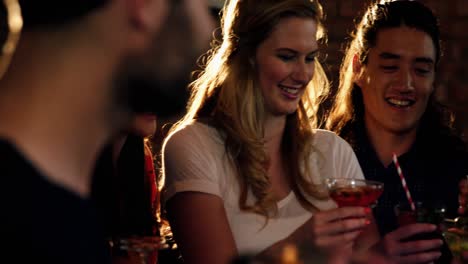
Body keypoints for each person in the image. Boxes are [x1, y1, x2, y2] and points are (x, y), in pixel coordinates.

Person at [162, 0, 380, 263]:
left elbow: (367, 256)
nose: (302, 74)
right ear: (248, 56)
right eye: (287, 56)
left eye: (309, 58)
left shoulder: (333, 151)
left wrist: (391, 255)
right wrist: (299, 246)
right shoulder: (193, 146)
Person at [0, 0, 213, 263]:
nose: (207, 29)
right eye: (200, 4)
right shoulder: (42, 231)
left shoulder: (55, 218)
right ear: (144, 6)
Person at [325, 0, 468, 263]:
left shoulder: (458, 166)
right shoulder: (326, 160)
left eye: (421, 70)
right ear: (358, 68)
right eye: (390, 67)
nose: (406, 83)